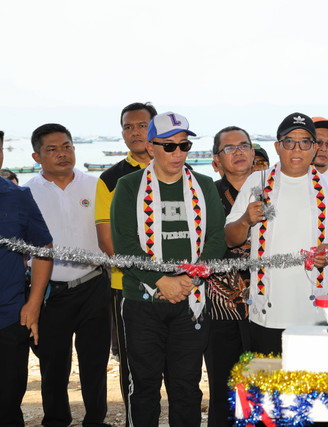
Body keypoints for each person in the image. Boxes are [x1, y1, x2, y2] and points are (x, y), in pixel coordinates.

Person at [111, 112, 226, 426]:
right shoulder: (128, 186)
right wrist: (161, 280)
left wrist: (188, 279)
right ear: (150, 148)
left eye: (184, 146)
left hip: (191, 301)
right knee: (144, 387)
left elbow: (216, 239)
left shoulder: (203, 185)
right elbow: (125, 245)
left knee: (186, 386)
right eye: (169, 146)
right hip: (142, 302)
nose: (178, 154)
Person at [225, 112, 328, 355]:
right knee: (269, 388)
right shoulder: (257, 181)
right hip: (267, 312)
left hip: (315, 310)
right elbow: (231, 239)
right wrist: (245, 220)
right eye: (289, 142)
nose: (297, 149)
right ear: (277, 146)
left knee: (312, 388)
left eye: (305, 142)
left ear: (314, 148)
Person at [25, 123, 112, 427]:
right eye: (52, 149)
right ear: (37, 156)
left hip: (93, 287)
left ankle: (95, 420)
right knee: (53, 366)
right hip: (49, 292)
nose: (62, 154)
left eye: (67, 146)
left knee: (94, 363)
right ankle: (56, 420)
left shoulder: (96, 185)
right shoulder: (28, 193)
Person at [94, 101, 157, 423]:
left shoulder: (180, 171)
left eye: (142, 125)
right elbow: (108, 244)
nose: (135, 132)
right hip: (128, 288)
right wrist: (160, 275)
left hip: (182, 286)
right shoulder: (110, 178)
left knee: (181, 371)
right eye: (128, 127)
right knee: (135, 371)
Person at [0, 130, 53, 426]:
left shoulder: (18, 196)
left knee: (7, 404)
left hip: (9, 318)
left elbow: (44, 250)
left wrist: (33, 304)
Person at [205, 125, 254, 427]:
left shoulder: (271, 189)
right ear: (216, 161)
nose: (238, 151)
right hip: (220, 304)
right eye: (229, 148)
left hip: (266, 304)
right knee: (223, 387)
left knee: (261, 384)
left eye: (244, 145)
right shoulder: (206, 195)